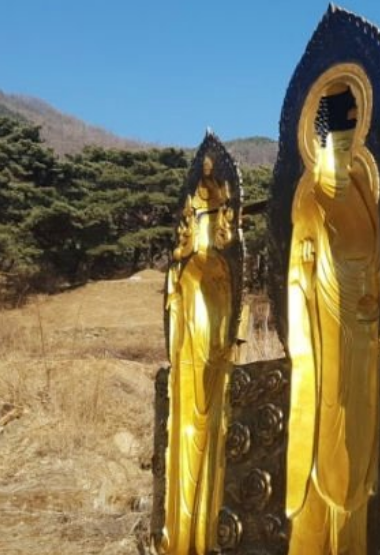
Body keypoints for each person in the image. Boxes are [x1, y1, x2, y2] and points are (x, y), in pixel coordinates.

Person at [285, 83, 380, 554]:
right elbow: (298, 288)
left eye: (351, 148)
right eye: (338, 148)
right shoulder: (312, 207)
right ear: (320, 144)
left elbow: (376, 269)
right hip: (325, 344)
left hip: (362, 342)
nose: (345, 158)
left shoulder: (362, 195)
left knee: (360, 447)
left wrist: (371, 305)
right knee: (329, 441)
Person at [160, 154, 237, 555]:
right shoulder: (185, 271)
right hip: (190, 361)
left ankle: (205, 532)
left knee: (212, 439)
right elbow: (175, 313)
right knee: (187, 435)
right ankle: (181, 531)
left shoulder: (222, 271)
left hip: (215, 365)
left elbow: (226, 326)